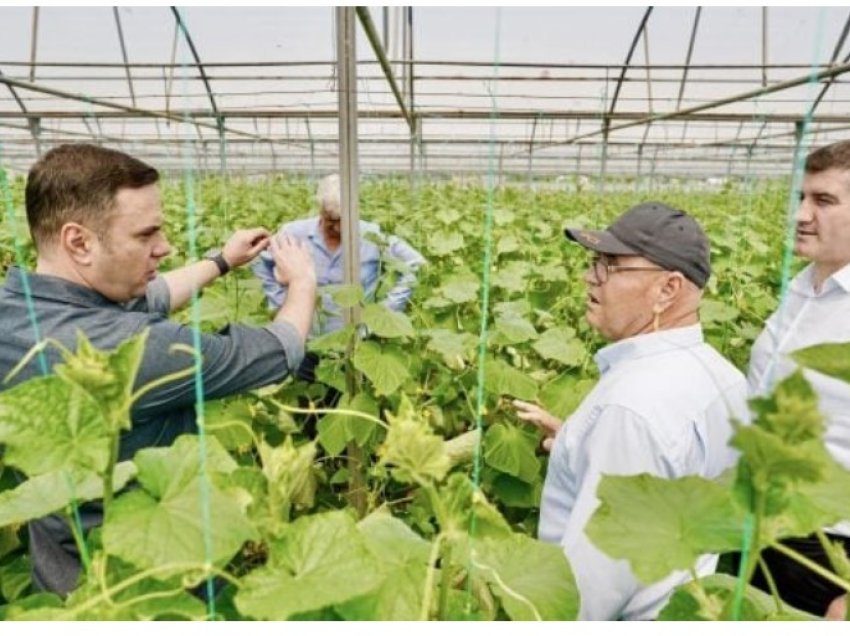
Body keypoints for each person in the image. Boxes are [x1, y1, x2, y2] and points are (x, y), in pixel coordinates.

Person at [0, 143, 317, 595]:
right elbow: (275, 351)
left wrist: (222, 261)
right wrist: (303, 282)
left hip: (62, 591)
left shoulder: (15, 313)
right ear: (79, 241)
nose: (164, 247)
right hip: (156, 592)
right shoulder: (142, 348)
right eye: (146, 234)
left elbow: (149, 296)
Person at [512, 202, 748, 620]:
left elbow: (594, 584)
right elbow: (673, 466)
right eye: (594, 262)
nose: (590, 276)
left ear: (667, 290)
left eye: (610, 266)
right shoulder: (723, 376)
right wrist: (580, 439)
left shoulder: (630, 408)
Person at [746, 140, 850, 619]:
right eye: (801, 197)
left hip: (832, 550)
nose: (802, 214)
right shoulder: (803, 287)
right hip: (769, 524)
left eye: (824, 201)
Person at [251, 173, 425, 381]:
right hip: (304, 340)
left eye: (342, 221)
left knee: (350, 402)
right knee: (308, 404)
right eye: (329, 220)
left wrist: (386, 311)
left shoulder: (372, 236)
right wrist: (278, 301)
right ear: (320, 210)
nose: (336, 228)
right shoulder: (293, 233)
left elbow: (416, 264)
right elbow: (260, 261)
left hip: (356, 342)